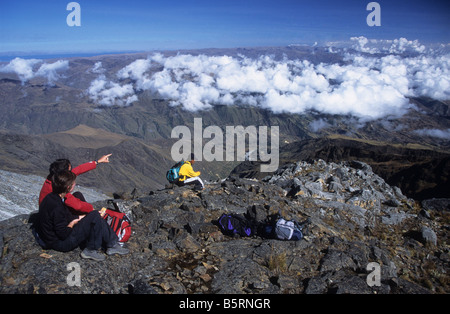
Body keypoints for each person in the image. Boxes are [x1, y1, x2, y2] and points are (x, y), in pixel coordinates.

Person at [36, 170, 129, 261]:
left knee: (79, 198)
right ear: (68, 187)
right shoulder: (57, 207)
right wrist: (73, 223)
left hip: (52, 238)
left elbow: (62, 216)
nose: (75, 184)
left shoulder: (51, 197)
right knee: (95, 215)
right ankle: (91, 250)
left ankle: (112, 243)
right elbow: (63, 234)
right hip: (60, 243)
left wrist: (79, 218)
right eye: (73, 183)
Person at [39, 154, 111, 214]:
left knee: (77, 195)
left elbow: (78, 169)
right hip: (54, 216)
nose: (71, 172)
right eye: (69, 170)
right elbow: (77, 205)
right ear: (63, 173)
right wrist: (92, 210)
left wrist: (97, 161)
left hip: (53, 211)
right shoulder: (58, 187)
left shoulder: (55, 178)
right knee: (81, 207)